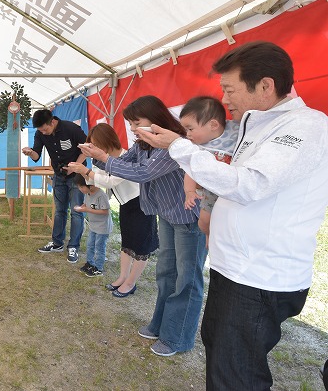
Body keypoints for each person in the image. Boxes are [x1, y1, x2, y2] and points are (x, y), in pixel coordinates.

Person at [139, 41, 328, 389]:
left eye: (229, 89)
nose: (224, 100)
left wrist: (179, 146)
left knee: (236, 375)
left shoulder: (305, 127)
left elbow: (248, 185)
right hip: (237, 269)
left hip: (260, 274)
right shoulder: (258, 126)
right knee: (223, 355)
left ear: (266, 86)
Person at [79, 95, 206, 356]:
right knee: (166, 275)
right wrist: (98, 158)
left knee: (187, 282)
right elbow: (125, 165)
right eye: (131, 124)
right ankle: (161, 326)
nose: (134, 129)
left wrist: (103, 157)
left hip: (187, 218)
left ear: (156, 118)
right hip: (168, 215)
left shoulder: (175, 145)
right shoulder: (144, 144)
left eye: (137, 123)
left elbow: (142, 173)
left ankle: (177, 338)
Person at [67, 123, 158, 296]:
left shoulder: (126, 157)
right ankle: (122, 278)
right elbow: (100, 179)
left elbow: (110, 181)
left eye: (95, 144)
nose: (94, 148)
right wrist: (88, 169)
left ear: (106, 141)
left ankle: (131, 283)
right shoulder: (106, 162)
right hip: (126, 204)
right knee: (127, 245)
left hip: (141, 204)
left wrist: (85, 170)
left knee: (141, 248)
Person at [22, 109, 87, 263]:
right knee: (60, 210)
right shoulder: (40, 134)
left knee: (77, 211)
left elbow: (86, 148)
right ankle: (57, 242)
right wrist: (30, 152)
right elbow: (36, 155)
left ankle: (73, 246)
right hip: (58, 175)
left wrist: (76, 165)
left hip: (76, 176)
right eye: (40, 130)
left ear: (53, 122)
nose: (43, 133)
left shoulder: (71, 128)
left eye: (45, 129)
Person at [178, 96, 238, 242]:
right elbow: (190, 170)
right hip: (211, 192)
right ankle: (208, 236)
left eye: (190, 128)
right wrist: (190, 192)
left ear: (213, 125)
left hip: (236, 189)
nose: (187, 134)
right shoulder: (197, 147)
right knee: (204, 221)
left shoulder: (237, 130)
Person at [72, 173, 111, 277]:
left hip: (102, 227)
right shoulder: (87, 194)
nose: (80, 189)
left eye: (81, 186)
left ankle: (98, 268)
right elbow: (86, 204)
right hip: (93, 226)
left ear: (90, 184)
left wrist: (87, 210)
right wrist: (81, 207)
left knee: (99, 247)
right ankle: (90, 263)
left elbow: (105, 211)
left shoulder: (101, 195)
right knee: (90, 245)